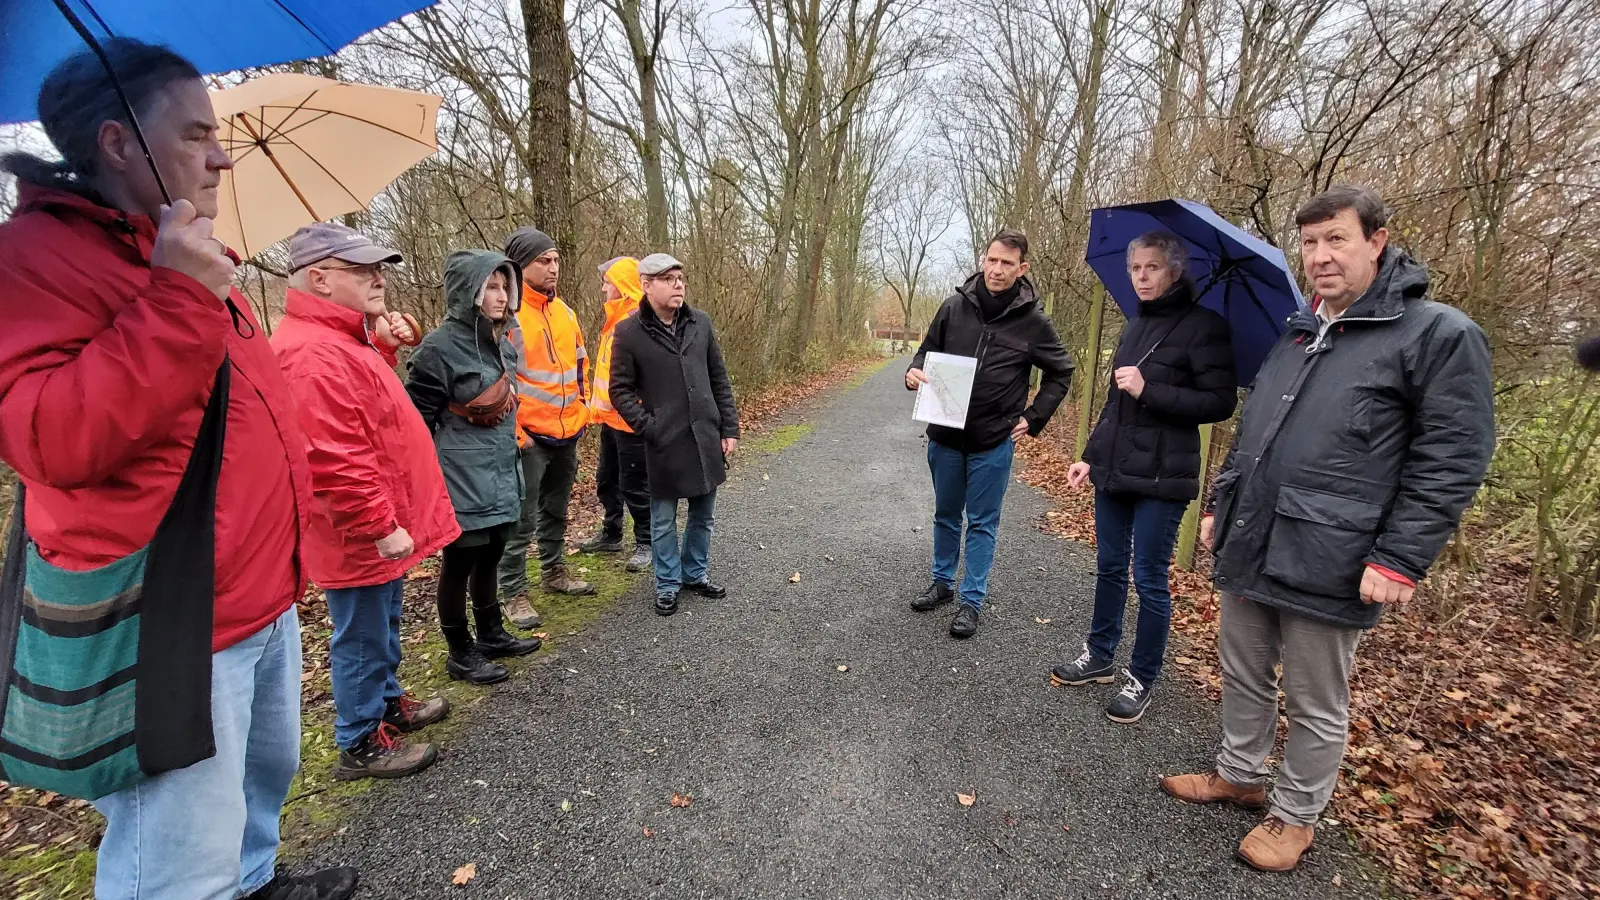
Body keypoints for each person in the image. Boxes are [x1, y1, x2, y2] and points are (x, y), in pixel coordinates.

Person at [0, 40, 357, 900]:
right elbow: (52, 439)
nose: (222, 154)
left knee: (259, 784)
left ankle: (256, 880)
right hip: (170, 608)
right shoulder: (30, 260)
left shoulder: (184, 246)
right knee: (173, 843)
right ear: (119, 142)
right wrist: (175, 297)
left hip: (260, 589)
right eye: (197, 134)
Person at [1161, 185, 1495, 872]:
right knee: (1244, 670)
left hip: (1337, 553)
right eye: (1309, 242)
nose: (1320, 255)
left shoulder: (1436, 335)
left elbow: (1453, 456)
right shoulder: (1295, 332)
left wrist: (1402, 557)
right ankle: (1241, 775)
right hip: (1255, 536)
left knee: (1316, 697)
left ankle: (1297, 816)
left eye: (1336, 239)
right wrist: (1223, 501)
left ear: (1377, 240)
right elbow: (1252, 433)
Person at [271, 223, 459, 781]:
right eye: (364, 270)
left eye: (379, 269)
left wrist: (382, 344)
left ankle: (386, 702)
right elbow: (332, 453)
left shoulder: (337, 341)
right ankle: (359, 741)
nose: (379, 279)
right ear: (320, 279)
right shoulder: (309, 353)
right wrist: (378, 522)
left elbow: (363, 401)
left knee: (383, 620)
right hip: (355, 532)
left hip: (374, 521)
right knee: (361, 632)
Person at [1050, 230, 1236, 724]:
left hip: (1165, 476)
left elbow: (1220, 402)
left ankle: (1143, 675)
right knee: (1110, 567)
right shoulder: (1134, 325)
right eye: (1135, 268)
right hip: (1116, 470)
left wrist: (1150, 389)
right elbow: (1114, 403)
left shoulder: (1206, 327)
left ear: (1175, 270)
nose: (1141, 277)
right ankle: (1100, 655)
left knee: (1149, 578)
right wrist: (1090, 456)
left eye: (1151, 267)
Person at [906, 230, 1074, 639]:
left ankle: (971, 601)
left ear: (1022, 268)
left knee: (982, 522)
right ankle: (942, 583)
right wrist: (913, 373)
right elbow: (926, 351)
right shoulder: (953, 307)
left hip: (993, 441)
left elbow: (1061, 372)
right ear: (984, 259)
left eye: (1006, 263)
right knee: (946, 514)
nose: (997, 270)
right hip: (945, 435)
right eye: (992, 260)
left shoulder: (1033, 322)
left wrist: (1034, 418)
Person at [406, 250, 541, 685]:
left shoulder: (502, 345)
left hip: (502, 470)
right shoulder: (437, 348)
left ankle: (490, 633)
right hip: (459, 477)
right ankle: (460, 652)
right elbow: (415, 423)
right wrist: (429, 482)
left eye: (505, 287)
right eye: (491, 288)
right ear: (469, 292)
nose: (501, 296)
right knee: (461, 560)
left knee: (494, 552)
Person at [609, 253, 739, 616]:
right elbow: (618, 390)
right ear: (647, 286)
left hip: (704, 436)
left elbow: (719, 379)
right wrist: (650, 427)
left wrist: (729, 427)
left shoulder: (701, 323)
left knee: (703, 514)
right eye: (668, 279)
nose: (678, 284)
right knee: (663, 519)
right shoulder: (629, 331)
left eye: (680, 277)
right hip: (662, 442)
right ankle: (668, 583)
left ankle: (694, 573)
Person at [496, 227, 593, 629]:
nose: (553, 268)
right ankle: (512, 591)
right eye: (543, 261)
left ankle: (555, 571)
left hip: (568, 432)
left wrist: (583, 411)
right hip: (528, 437)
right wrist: (517, 430)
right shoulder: (507, 316)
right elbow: (497, 378)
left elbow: (581, 364)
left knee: (556, 509)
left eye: (556, 260)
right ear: (520, 266)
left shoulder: (565, 312)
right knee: (521, 517)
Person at [576, 256, 654, 573]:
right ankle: (611, 533)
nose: (603, 287)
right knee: (607, 480)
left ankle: (647, 542)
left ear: (622, 285)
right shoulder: (615, 319)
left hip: (632, 421)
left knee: (635, 483)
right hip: (610, 420)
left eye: (607, 281)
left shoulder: (638, 321)